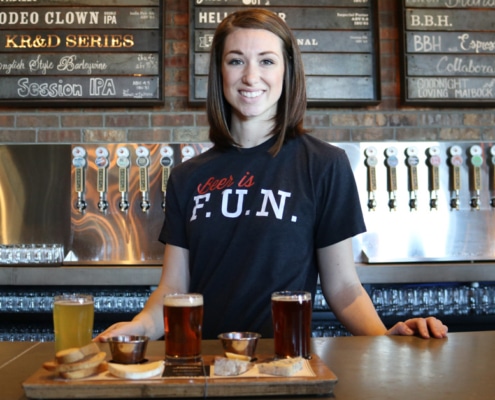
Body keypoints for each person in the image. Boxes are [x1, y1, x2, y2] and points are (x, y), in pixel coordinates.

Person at [96, 9, 447, 342]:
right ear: (220, 72)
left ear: (286, 71)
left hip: (286, 362)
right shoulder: (188, 177)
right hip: (207, 365)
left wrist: (385, 338)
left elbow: (343, 287)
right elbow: (173, 288)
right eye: (236, 61)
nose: (251, 77)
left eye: (266, 61)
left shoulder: (324, 164)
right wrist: (139, 326)